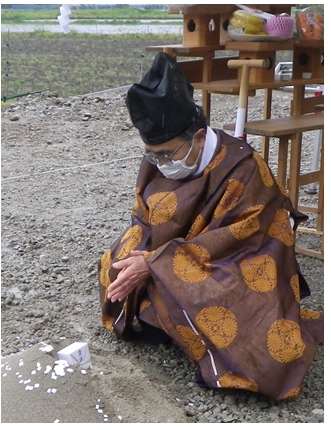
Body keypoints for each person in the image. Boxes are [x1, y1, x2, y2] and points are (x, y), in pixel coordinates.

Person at [99, 52, 323, 400]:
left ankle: (212, 350)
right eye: (151, 154)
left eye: (167, 154)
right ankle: (176, 323)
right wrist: (146, 257)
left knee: (251, 324)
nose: (160, 164)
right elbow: (145, 219)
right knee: (120, 259)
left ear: (200, 138)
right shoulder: (157, 163)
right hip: (175, 256)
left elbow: (243, 238)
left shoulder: (244, 167)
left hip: (236, 261)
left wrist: (158, 262)